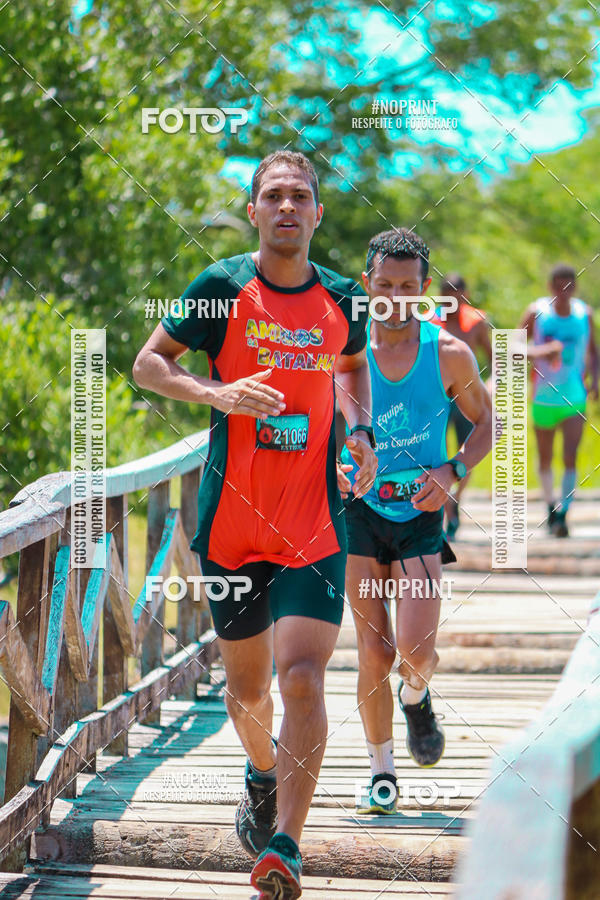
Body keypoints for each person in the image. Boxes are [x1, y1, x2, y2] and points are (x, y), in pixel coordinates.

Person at [133, 150, 377, 899]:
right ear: (253, 210)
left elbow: (352, 368)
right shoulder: (221, 288)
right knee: (247, 695)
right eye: (272, 196)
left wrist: (361, 433)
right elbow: (148, 365)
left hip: (314, 521)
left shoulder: (343, 296)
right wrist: (219, 393)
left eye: (300, 196)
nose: (286, 208)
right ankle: (261, 773)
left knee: (302, 680)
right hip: (232, 524)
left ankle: (285, 847)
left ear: (317, 213)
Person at [338, 230, 492, 814]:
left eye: (408, 288)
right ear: (367, 285)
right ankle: (381, 770)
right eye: (384, 287)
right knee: (372, 649)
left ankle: (417, 696)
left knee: (416, 651)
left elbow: (486, 425)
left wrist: (451, 471)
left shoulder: (449, 353)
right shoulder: (344, 356)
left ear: (424, 289)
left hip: (421, 517)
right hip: (359, 513)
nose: (395, 299)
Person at [520, 263, 598, 538]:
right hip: (543, 397)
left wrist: (595, 382)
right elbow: (514, 346)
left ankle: (565, 510)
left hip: (575, 396)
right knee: (545, 457)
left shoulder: (583, 314)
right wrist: (544, 350)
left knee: (570, 455)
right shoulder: (537, 312)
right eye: (558, 285)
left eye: (569, 285)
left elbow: (593, 351)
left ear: (574, 287)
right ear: (550, 286)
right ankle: (550, 505)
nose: (563, 291)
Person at [436, 274, 492, 538]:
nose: (453, 296)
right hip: (439, 397)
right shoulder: (430, 322)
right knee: (439, 453)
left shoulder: (477, 323)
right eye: (448, 291)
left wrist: (491, 386)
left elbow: (494, 359)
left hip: (468, 397)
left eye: (458, 291)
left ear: (465, 293)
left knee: (466, 451)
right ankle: (446, 505)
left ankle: (455, 497)